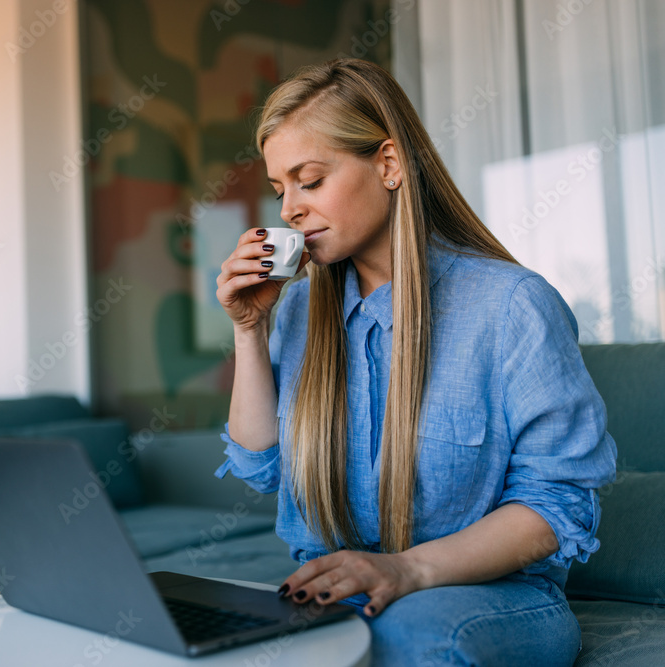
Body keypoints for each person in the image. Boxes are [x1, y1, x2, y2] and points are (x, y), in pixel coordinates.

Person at [213, 58, 617, 665]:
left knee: (399, 642)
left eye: (311, 180)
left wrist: (406, 570)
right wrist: (250, 330)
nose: (289, 209)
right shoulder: (297, 314)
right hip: (341, 591)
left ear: (390, 164)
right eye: (280, 190)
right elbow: (259, 466)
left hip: (488, 595)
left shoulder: (511, 307)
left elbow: (555, 506)